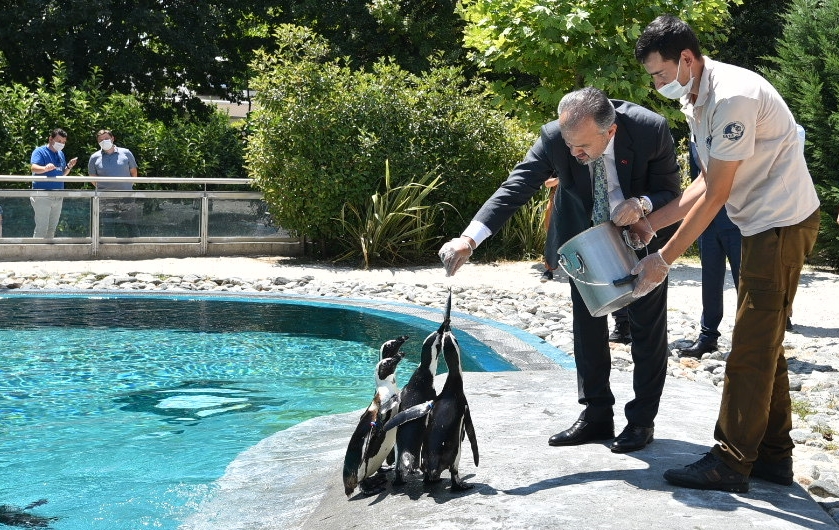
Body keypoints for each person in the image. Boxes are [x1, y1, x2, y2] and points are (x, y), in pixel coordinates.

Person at [633, 15, 820, 492]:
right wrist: (652, 223)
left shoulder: (733, 96)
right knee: (764, 340)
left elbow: (716, 194)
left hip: (780, 225)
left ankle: (731, 462)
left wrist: (663, 259)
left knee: (751, 346)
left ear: (686, 59)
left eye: (659, 74)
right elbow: (705, 179)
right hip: (761, 225)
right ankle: (773, 456)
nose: (656, 85)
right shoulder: (697, 96)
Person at [439, 86, 681, 454]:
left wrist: (642, 203)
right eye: (569, 145)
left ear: (611, 131)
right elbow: (516, 186)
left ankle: (641, 421)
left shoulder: (650, 128)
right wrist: (469, 240)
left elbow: (671, 191)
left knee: (647, 329)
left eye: (582, 146)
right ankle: (596, 414)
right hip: (584, 239)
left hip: (641, 235)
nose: (573, 154)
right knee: (587, 326)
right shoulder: (555, 136)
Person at [679, 141, 741, 358]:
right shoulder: (695, 137)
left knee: (744, 282)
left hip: (737, 219)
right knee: (710, 280)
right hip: (707, 222)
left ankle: (748, 340)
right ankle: (707, 337)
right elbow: (698, 179)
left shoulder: (730, 129)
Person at [88, 129, 139, 236]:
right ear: (98, 142)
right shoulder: (94, 157)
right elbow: (93, 178)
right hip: (105, 198)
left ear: (112, 138)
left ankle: (136, 245)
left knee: (131, 225)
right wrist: (104, 188)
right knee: (108, 227)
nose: (104, 141)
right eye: (101, 140)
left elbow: (134, 172)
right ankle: (107, 247)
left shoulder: (126, 153)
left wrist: (126, 186)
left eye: (106, 138)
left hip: (126, 196)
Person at [30, 128, 78, 238]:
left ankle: (47, 249)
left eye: (63, 142)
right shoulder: (40, 151)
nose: (61, 144)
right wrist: (45, 168)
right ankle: (36, 249)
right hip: (42, 195)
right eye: (59, 141)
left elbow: (62, 174)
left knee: (52, 229)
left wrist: (69, 166)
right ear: (50, 139)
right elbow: (34, 168)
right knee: (42, 228)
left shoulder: (61, 154)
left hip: (58, 195)